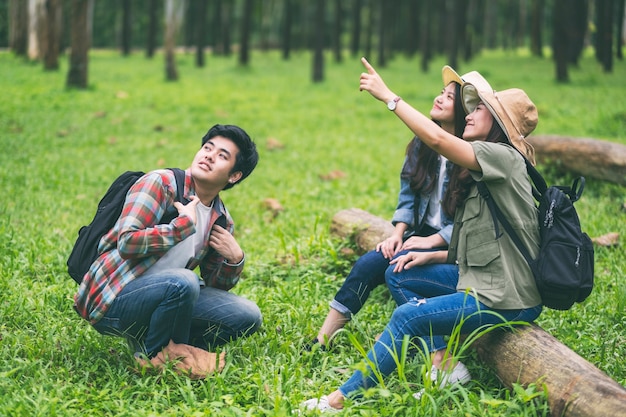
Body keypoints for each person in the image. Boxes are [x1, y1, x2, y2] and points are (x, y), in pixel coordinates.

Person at [301, 58, 543, 412]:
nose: (470, 113)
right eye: (471, 107)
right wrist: (431, 254)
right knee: (402, 272)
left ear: (500, 126)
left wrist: (390, 98)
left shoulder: (502, 157)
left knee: (406, 317)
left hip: (506, 296)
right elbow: (475, 247)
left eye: (481, 109)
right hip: (481, 281)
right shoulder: (481, 173)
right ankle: (446, 369)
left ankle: (338, 401)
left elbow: (435, 137)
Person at [73, 124, 263, 376]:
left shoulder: (220, 219)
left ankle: (164, 342)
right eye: (207, 148)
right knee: (183, 281)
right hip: (113, 298)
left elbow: (217, 285)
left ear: (234, 176)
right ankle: (156, 358)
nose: (208, 155)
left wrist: (235, 259)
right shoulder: (161, 183)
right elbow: (127, 241)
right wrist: (180, 227)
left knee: (248, 315)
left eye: (222, 155)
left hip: (167, 295)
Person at [309, 65, 470, 350]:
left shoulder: (472, 158)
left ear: (465, 111)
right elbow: (408, 193)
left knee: (397, 270)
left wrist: (426, 243)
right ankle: (322, 340)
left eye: (449, 97)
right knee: (368, 264)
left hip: (455, 245)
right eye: (441, 92)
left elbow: (468, 222)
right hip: (418, 234)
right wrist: (398, 233)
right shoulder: (424, 144)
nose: (439, 98)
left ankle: (434, 349)